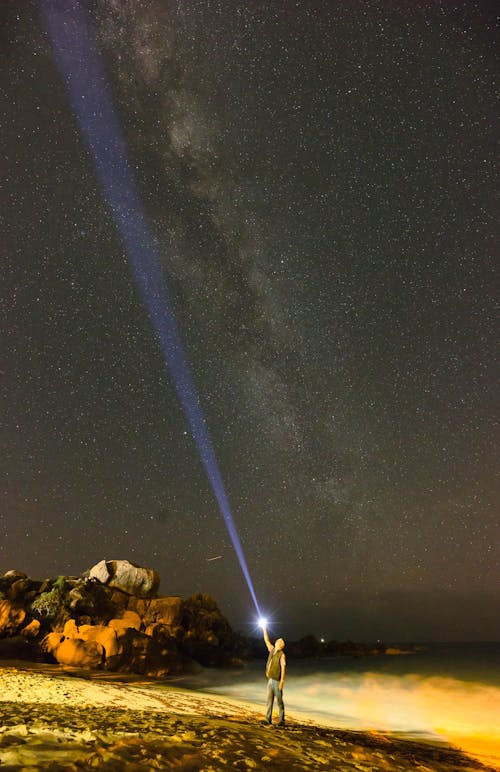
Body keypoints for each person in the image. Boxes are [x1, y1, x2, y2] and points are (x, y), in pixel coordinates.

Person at [262, 625, 286, 726]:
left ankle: (281, 720)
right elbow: (266, 640)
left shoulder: (282, 654)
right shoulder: (272, 649)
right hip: (270, 679)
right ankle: (268, 719)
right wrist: (264, 629)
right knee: (269, 700)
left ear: (280, 645)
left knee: (279, 701)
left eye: (279, 641)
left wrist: (282, 681)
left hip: (277, 680)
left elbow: (283, 667)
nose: (277, 641)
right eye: (278, 640)